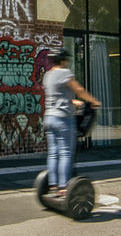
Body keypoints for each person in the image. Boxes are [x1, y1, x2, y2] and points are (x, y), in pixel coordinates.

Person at [41, 47, 100, 198]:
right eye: (66, 59)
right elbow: (79, 90)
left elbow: (56, 95)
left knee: (53, 154)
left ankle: (53, 185)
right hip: (63, 119)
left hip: (49, 118)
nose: (67, 62)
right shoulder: (65, 73)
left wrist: (74, 102)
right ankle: (63, 187)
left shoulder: (48, 75)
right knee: (66, 153)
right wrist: (93, 101)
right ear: (62, 60)